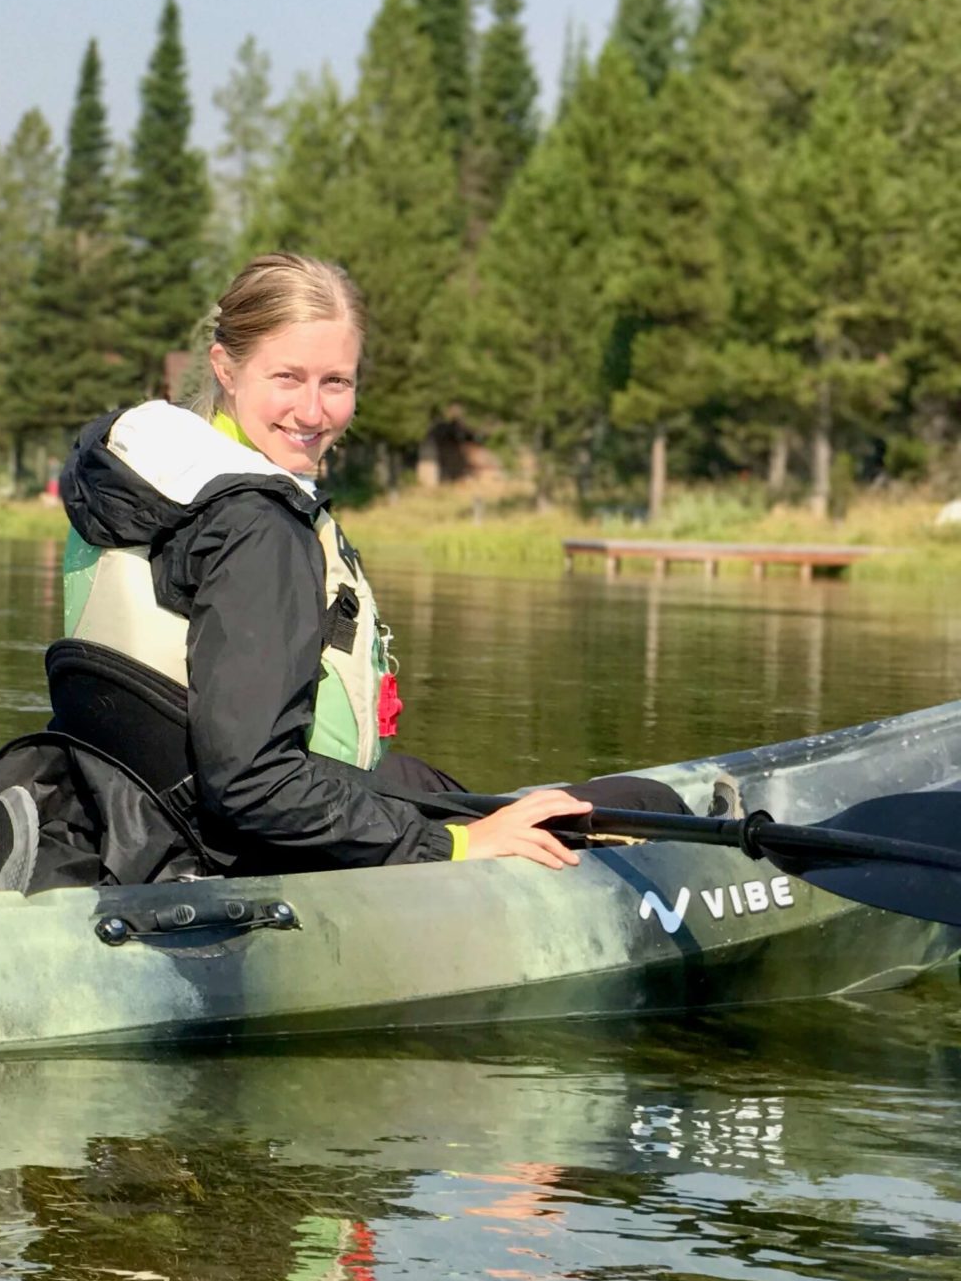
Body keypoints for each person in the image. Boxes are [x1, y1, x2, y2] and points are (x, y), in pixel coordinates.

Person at [41, 251, 678, 878]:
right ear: (225, 369)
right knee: (646, 806)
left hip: (126, 815)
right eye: (287, 378)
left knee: (428, 782)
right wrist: (454, 847)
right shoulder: (256, 527)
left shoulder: (134, 475)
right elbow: (251, 785)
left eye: (336, 382)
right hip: (241, 850)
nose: (314, 413)